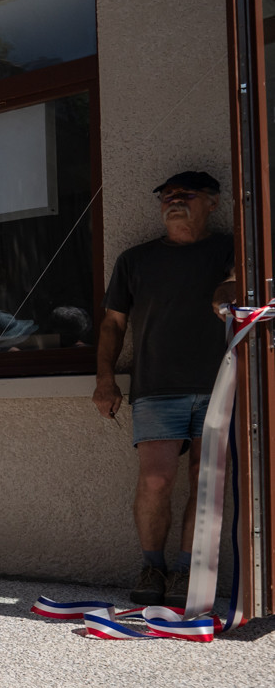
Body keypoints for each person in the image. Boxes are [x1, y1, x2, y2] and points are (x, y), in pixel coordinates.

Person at [93, 170, 233, 606]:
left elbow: (252, 283)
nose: (173, 200)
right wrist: (104, 379)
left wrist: (233, 284)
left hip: (222, 386)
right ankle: (152, 566)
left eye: (185, 194)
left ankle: (187, 572)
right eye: (166, 195)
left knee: (204, 480)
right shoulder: (135, 260)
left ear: (211, 202)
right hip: (156, 387)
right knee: (156, 479)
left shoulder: (234, 247)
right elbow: (113, 323)